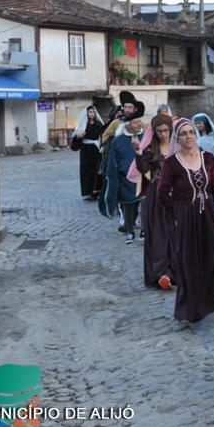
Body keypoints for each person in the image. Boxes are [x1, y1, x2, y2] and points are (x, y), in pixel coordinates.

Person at [154, 118, 214, 323]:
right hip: (185, 216)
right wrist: (177, 214)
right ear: (177, 138)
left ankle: (209, 300)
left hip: (207, 214)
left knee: (210, 257)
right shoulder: (172, 163)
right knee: (188, 261)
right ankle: (190, 307)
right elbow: (162, 193)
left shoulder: (208, 158)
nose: (188, 136)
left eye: (191, 132)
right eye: (183, 133)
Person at [134, 115, 175, 290]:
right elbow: (144, 170)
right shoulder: (151, 150)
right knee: (159, 233)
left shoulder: (178, 146)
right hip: (157, 196)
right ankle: (162, 273)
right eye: (159, 131)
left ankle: (177, 271)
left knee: (176, 233)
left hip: (177, 195)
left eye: (166, 130)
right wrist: (138, 152)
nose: (163, 134)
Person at [99, 109, 146, 242]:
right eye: (135, 121)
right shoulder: (118, 141)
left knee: (145, 203)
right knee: (128, 205)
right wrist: (112, 179)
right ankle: (130, 231)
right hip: (125, 178)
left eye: (139, 121)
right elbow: (112, 162)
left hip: (143, 177)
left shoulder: (145, 137)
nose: (138, 124)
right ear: (127, 124)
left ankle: (144, 230)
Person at [70, 105, 105, 199]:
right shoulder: (83, 124)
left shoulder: (99, 124)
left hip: (96, 150)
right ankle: (87, 193)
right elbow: (76, 139)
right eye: (90, 112)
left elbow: (103, 135)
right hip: (86, 151)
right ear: (87, 113)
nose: (92, 114)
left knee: (97, 170)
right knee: (86, 171)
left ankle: (96, 192)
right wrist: (78, 137)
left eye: (93, 112)